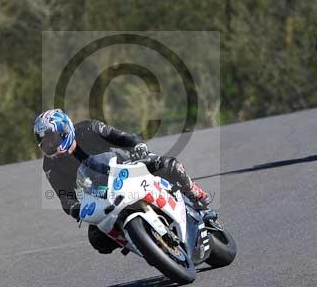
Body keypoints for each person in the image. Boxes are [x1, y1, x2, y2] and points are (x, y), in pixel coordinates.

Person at [34, 109, 213, 254]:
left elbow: (123, 137)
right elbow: (64, 196)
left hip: (128, 166)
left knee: (168, 165)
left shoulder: (90, 128)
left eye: (53, 138)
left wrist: (137, 146)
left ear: (64, 131)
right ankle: (138, 239)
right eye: (46, 143)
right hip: (101, 192)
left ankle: (196, 195)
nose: (51, 145)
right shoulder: (50, 165)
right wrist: (76, 210)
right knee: (98, 240)